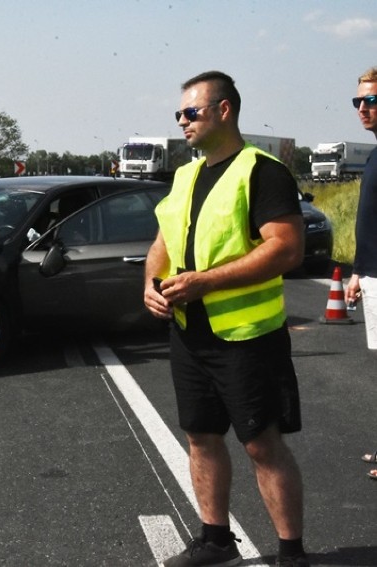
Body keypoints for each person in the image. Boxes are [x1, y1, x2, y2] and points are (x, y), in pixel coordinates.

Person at [143, 71, 309, 567]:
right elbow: (163, 243)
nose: (181, 121)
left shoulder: (262, 171)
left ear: (224, 110)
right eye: (178, 114)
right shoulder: (185, 175)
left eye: (191, 112)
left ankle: (291, 554)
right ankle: (216, 542)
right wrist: (150, 285)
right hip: (191, 334)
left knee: (262, 445)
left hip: (247, 337)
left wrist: (206, 282)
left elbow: (288, 248)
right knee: (200, 436)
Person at [341, 66, 377, 478]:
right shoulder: (373, 155)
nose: (362, 108)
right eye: (358, 101)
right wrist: (357, 273)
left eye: (371, 100)